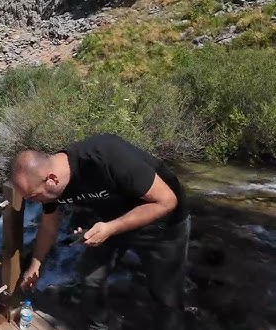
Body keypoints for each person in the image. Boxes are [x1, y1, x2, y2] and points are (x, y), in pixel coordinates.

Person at [10, 133, 190, 330]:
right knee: (91, 279)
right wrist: (35, 264)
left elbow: (167, 201)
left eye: (34, 196)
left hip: (162, 221)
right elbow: (48, 226)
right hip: (112, 219)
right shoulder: (50, 190)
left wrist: (110, 228)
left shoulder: (106, 156)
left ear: (51, 179)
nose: (34, 202)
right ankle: (99, 325)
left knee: (166, 294)